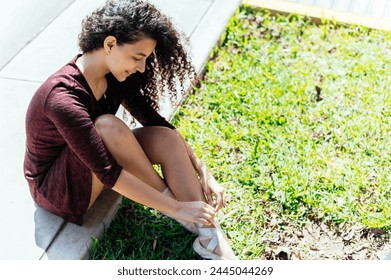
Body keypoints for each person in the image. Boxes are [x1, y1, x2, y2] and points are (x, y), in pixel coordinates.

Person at [23, 0, 237, 260]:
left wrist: (202, 169)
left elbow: (154, 121)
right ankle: (186, 215)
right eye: (138, 57)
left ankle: (208, 234)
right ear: (110, 44)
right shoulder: (61, 98)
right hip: (59, 191)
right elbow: (109, 173)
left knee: (165, 137)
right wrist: (175, 207)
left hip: (94, 168)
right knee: (107, 126)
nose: (142, 67)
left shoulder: (114, 75)